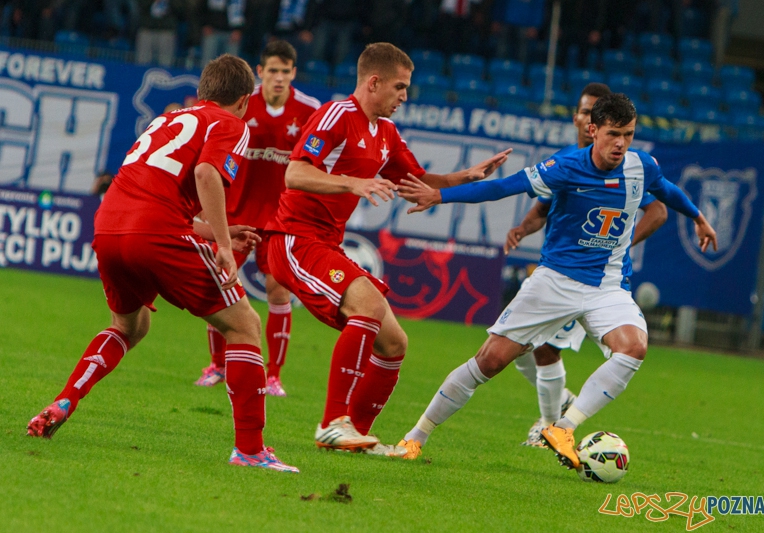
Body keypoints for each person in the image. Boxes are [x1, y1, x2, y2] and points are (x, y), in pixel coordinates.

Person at [396, 93, 717, 467]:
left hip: (607, 287)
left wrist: (697, 217)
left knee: (633, 347)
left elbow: (666, 191)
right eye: (614, 134)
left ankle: (562, 427)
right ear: (593, 130)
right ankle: (415, 437)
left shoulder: (640, 166)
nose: (621, 144)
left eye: (628, 135)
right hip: (555, 282)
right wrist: (440, 195)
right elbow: (504, 187)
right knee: (490, 361)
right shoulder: (564, 165)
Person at [26, 54, 299, 473]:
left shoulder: (166, 120)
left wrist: (218, 232)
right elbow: (209, 174)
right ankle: (250, 450)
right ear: (245, 99)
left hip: (109, 226)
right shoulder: (231, 123)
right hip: (155, 232)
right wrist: (225, 245)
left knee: (130, 326)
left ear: (205, 90)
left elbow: (155, 193)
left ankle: (67, 399)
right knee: (244, 325)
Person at [264, 42, 511, 454]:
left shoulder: (386, 134)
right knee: (369, 305)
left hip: (326, 243)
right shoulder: (336, 115)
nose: (404, 97)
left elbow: (417, 183)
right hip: (293, 237)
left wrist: (466, 176)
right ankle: (333, 422)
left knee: (394, 342)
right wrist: (353, 183)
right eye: (399, 87)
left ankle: (353, 434)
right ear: (373, 82)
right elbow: (295, 172)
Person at [505, 83, 668, 448]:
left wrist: (621, 243)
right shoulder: (565, 161)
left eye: (592, 112)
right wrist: (522, 228)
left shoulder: (627, 167)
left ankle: (550, 426)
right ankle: (559, 406)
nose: (584, 117)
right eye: (581, 110)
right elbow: (542, 209)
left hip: (593, 279)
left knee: (545, 349)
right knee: (523, 354)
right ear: (581, 119)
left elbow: (658, 209)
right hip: (557, 270)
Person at [196, 40, 321, 396]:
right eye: (273, 71)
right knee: (218, 285)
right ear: (260, 72)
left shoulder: (310, 110)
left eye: (286, 71)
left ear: (293, 73)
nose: (279, 78)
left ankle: (273, 375)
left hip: (280, 218)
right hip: (234, 213)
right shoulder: (241, 104)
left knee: (277, 290)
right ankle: (217, 366)